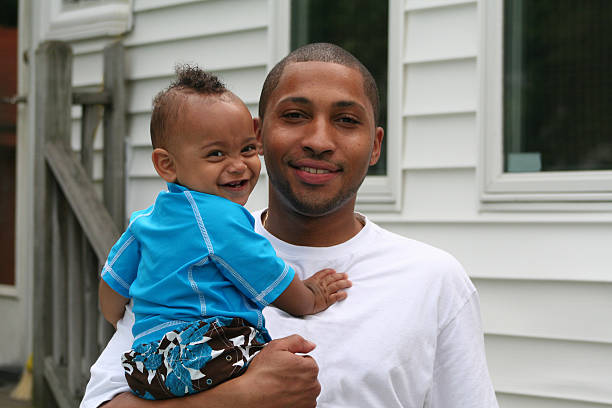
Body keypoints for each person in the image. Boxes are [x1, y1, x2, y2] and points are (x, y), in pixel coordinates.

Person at [82, 43, 498, 408]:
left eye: (347, 120)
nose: (318, 139)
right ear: (259, 135)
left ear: (375, 146)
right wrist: (240, 398)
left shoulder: (433, 280)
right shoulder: (179, 251)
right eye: (296, 115)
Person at [97, 65, 351, 400]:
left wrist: (125, 323)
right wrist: (310, 297)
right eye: (216, 154)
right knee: (286, 375)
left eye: (247, 149)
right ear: (167, 165)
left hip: (145, 366)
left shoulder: (145, 220)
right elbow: (266, 274)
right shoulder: (218, 215)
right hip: (198, 349)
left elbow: (111, 291)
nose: (238, 164)